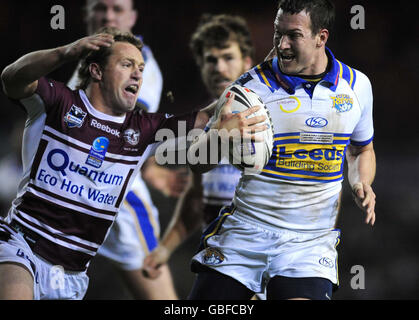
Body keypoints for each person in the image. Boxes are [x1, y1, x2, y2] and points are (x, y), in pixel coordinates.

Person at [0, 26, 233, 299]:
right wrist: (66, 52)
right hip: (20, 246)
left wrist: (253, 84)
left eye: (141, 68)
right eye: (127, 64)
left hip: (72, 275)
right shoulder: (59, 102)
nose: (137, 73)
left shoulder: (144, 130)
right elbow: (11, 78)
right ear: (97, 71)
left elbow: (206, 118)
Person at [183, 0, 376, 300]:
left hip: (308, 246)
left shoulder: (356, 86)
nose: (282, 45)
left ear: (320, 37)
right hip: (245, 235)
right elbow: (195, 162)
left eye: (294, 35)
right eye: (278, 33)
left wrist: (361, 181)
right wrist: (218, 137)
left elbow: (362, 149)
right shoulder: (249, 89)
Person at [68, 0, 188, 300]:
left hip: (116, 198)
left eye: (117, 9)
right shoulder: (89, 58)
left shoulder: (138, 64)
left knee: (158, 295)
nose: (107, 16)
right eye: (99, 8)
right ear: (86, 15)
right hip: (68, 189)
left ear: (132, 17)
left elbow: (124, 133)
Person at [142, 12, 253, 278]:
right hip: (219, 259)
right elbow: (196, 200)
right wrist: (164, 250)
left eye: (228, 57)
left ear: (246, 63)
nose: (218, 67)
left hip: (265, 258)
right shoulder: (200, 124)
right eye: (210, 60)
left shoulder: (270, 115)